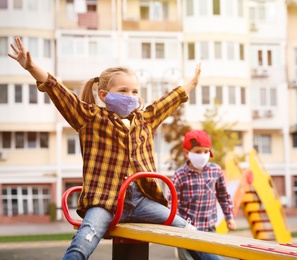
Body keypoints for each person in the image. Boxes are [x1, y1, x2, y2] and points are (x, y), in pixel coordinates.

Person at [8, 37, 222, 260]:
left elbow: (170, 100)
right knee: (84, 240)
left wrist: (192, 84)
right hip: (104, 200)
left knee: (188, 232)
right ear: (104, 95)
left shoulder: (145, 120)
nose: (130, 97)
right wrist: (31, 67)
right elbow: (60, 93)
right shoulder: (90, 118)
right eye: (123, 90)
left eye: (134, 91)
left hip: (141, 200)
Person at [170, 129, 236, 260]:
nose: (203, 155)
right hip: (186, 230)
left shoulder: (215, 170)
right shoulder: (180, 175)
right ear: (187, 153)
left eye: (206, 151)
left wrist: (229, 217)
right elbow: (172, 202)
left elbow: (223, 196)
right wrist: (174, 225)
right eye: (198, 152)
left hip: (208, 227)